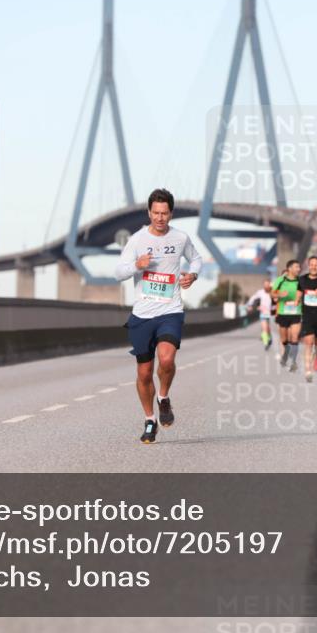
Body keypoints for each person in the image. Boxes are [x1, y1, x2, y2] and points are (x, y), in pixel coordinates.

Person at [115, 188, 202, 444]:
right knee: (144, 373)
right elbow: (118, 272)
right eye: (156, 213)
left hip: (170, 311)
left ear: (171, 213)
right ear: (149, 212)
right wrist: (137, 265)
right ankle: (150, 419)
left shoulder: (180, 238)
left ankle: (163, 397)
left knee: (166, 359)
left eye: (164, 213)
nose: (160, 218)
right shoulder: (137, 240)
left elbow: (196, 259)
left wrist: (192, 275)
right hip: (142, 315)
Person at [272, 260, 303, 371]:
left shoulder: (301, 281)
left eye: (299, 267)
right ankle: (285, 353)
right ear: (289, 268)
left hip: (296, 312)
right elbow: (272, 293)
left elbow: (305, 292)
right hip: (283, 313)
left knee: (294, 337)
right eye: (296, 267)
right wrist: (280, 294)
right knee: (284, 338)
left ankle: (293, 362)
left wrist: (299, 299)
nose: (298, 269)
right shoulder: (280, 280)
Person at [246, 279, 274, 350]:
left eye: (267, 284)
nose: (266, 286)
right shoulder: (260, 292)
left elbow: (277, 301)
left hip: (271, 313)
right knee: (264, 328)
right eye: (265, 285)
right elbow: (253, 297)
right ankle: (266, 343)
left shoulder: (273, 292)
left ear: (270, 285)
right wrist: (250, 305)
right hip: (263, 312)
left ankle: (269, 337)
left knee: (268, 328)